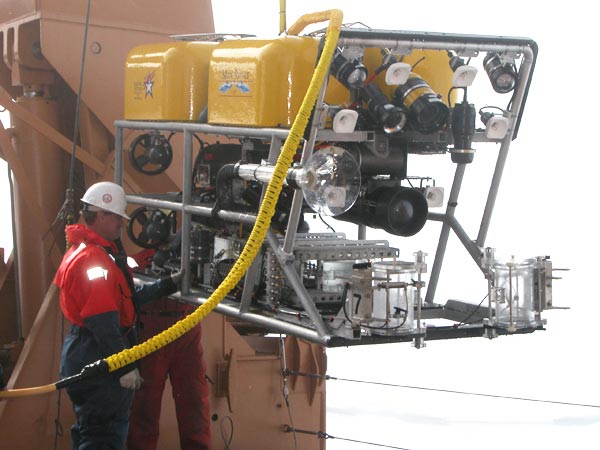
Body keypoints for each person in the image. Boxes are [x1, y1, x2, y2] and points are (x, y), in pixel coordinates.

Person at [54, 181, 182, 450]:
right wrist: (124, 366)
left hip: (85, 351)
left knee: (92, 430)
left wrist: (169, 284)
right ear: (101, 215)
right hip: (98, 355)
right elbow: (103, 323)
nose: (122, 225)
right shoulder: (94, 260)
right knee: (104, 435)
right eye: (117, 218)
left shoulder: (89, 251)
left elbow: (125, 299)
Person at [127, 252, 211, 450]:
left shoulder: (189, 249)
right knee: (144, 404)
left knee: (194, 399)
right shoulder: (134, 255)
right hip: (150, 328)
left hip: (186, 324)